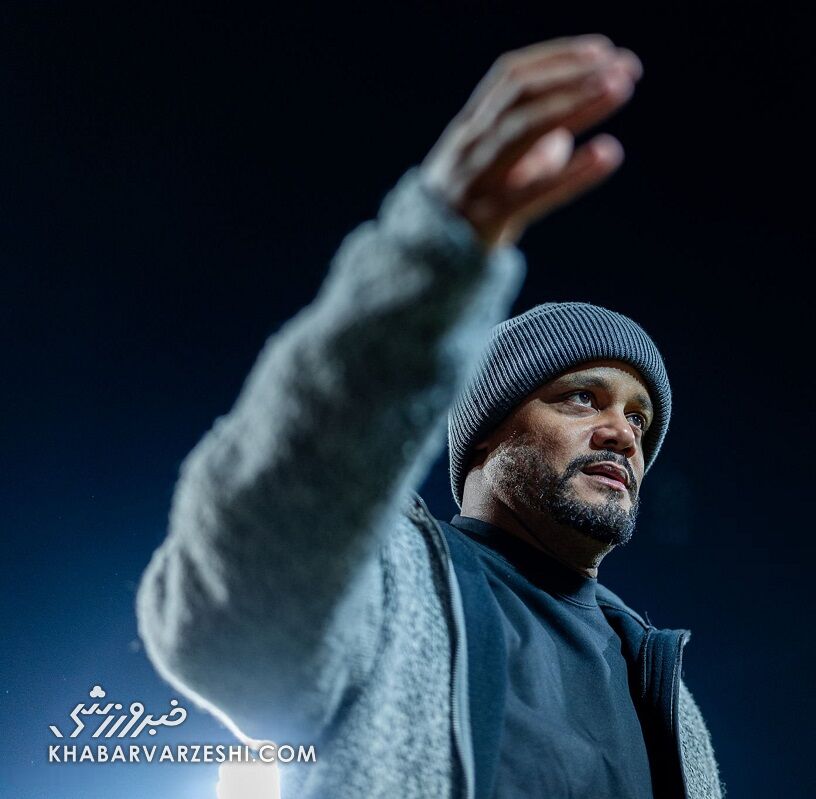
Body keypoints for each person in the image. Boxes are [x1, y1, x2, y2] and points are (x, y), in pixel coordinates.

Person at [136, 34, 723, 799]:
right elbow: (228, 629)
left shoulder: (668, 695)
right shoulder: (387, 584)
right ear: (484, 430)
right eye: (582, 396)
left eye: (640, 419)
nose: (622, 433)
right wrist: (434, 252)